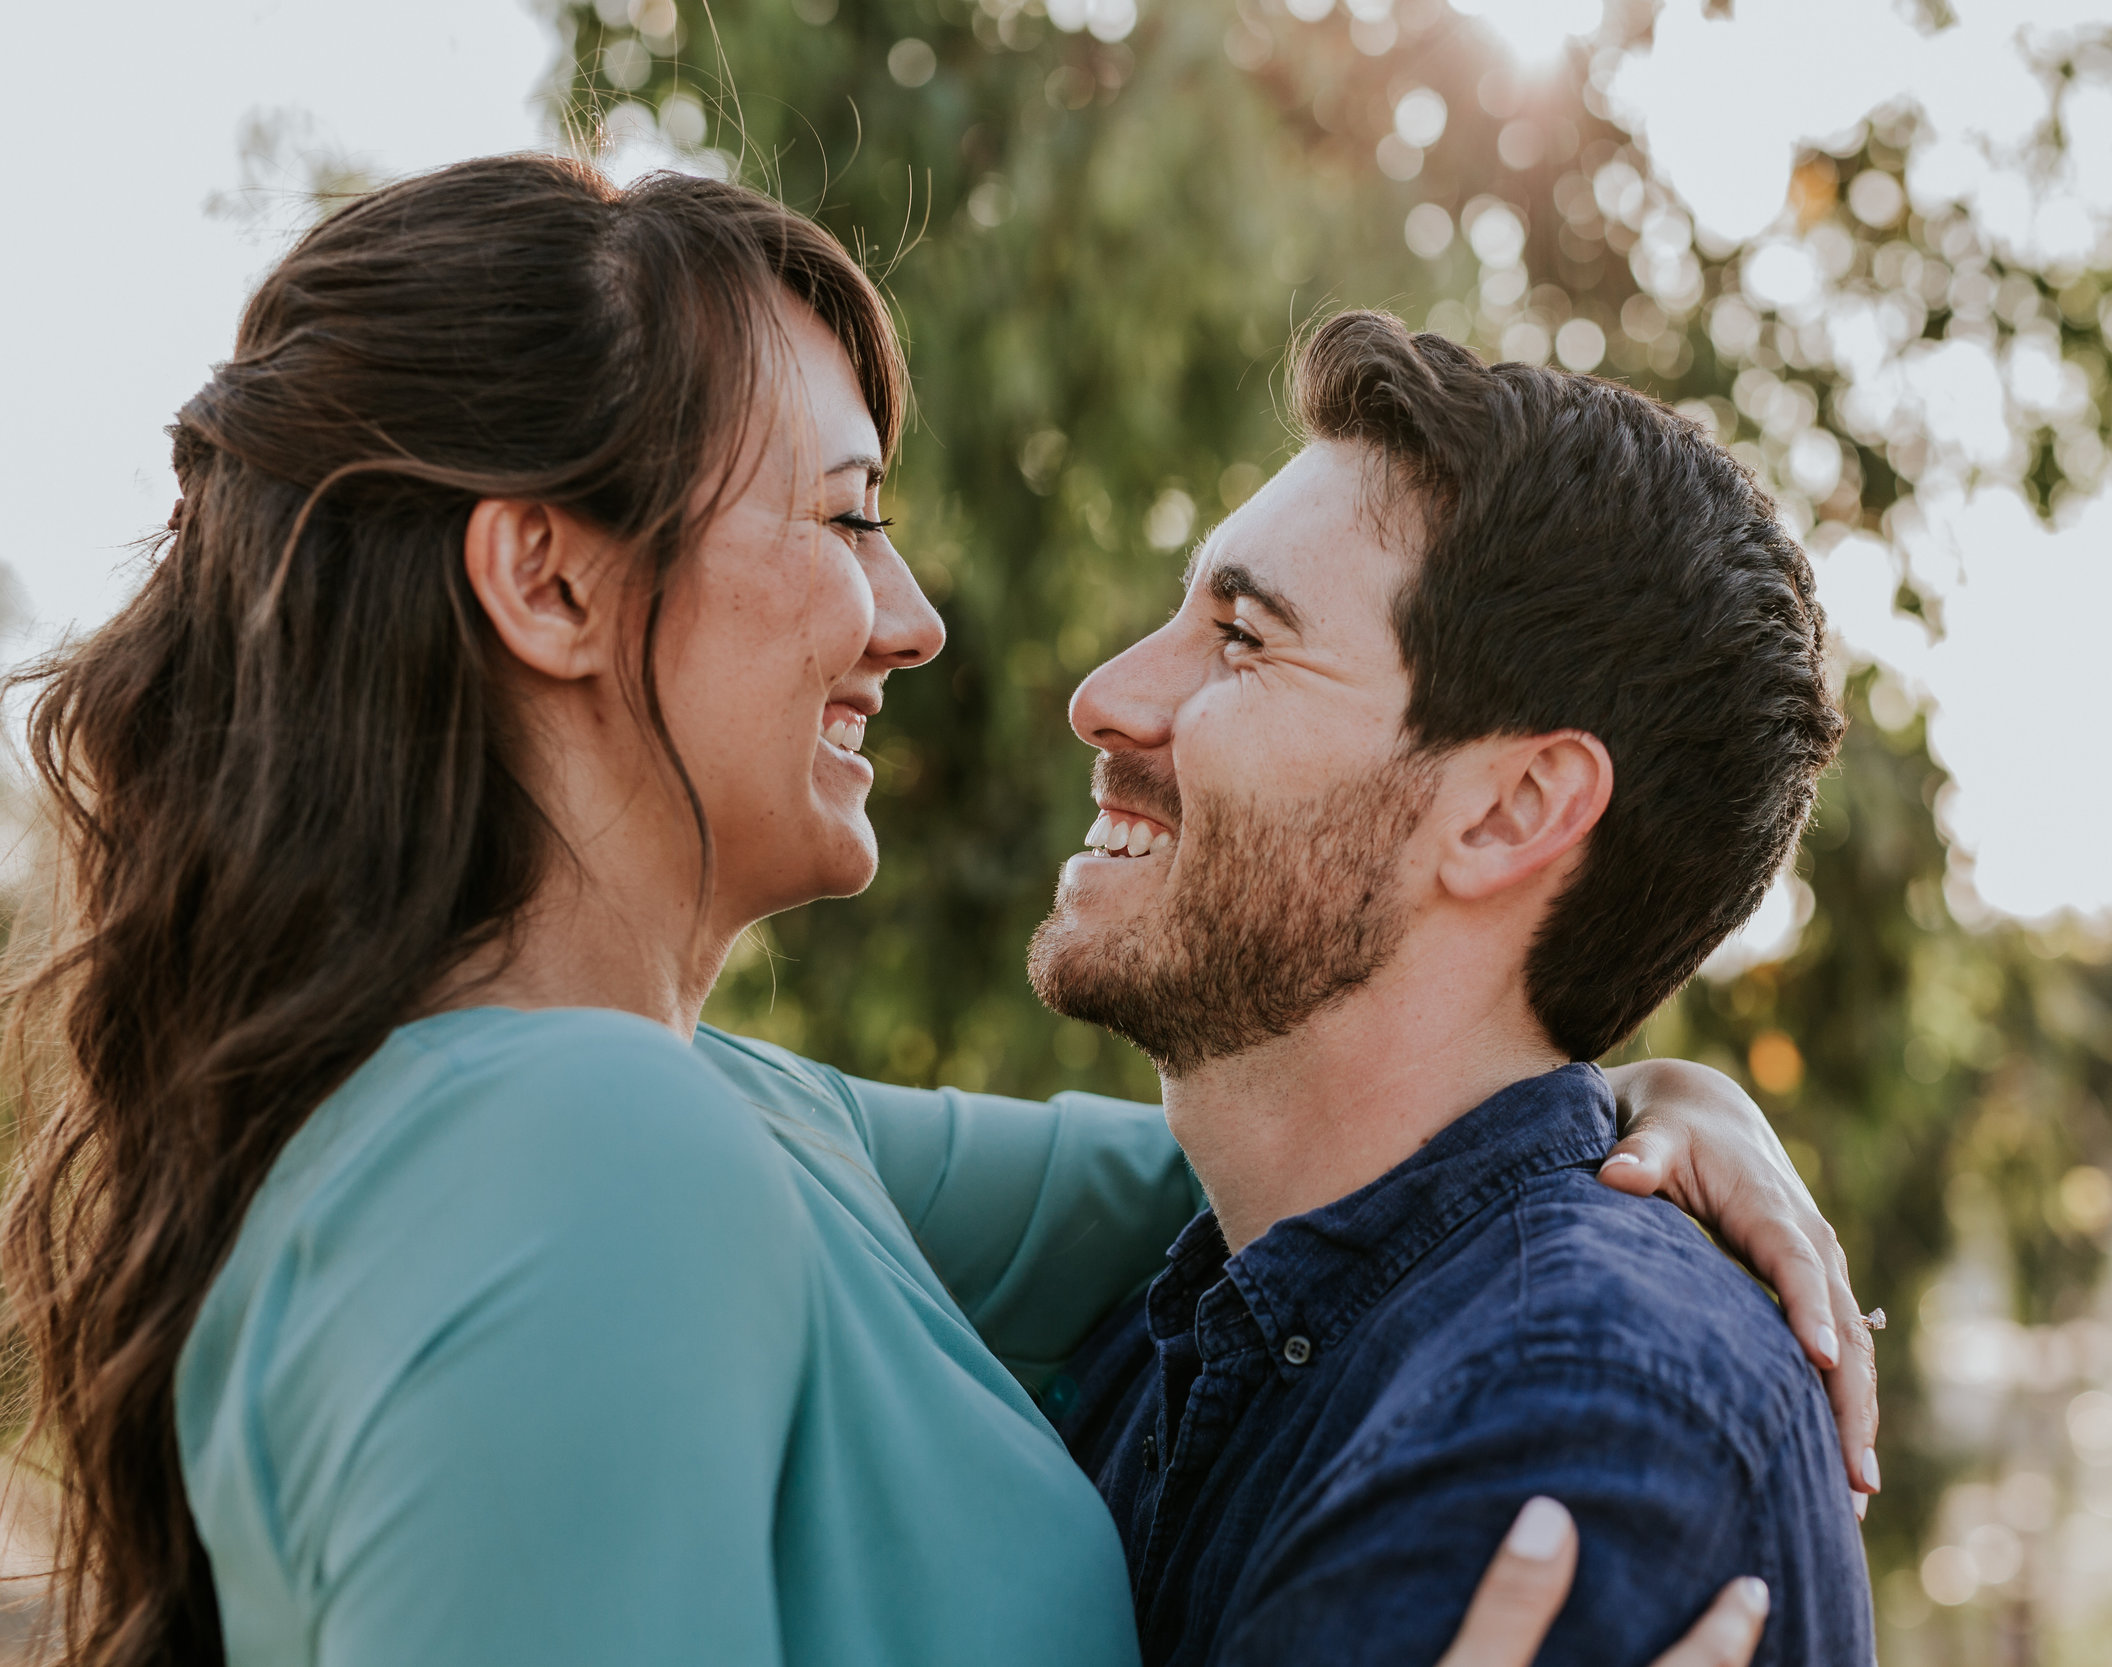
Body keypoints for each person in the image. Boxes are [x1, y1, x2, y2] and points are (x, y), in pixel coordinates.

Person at [1, 156, 1864, 1667]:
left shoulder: (721, 1122)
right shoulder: (582, 1151)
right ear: (552, 583)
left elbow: (1316, 1174)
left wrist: (1634, 1098)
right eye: (845, 514)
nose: (917, 620)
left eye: (1240, 634)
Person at [1033, 312, 1877, 1665]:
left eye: (1241, 638)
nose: (1107, 698)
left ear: (1509, 811)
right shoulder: (1190, 1312)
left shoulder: (1572, 1418)